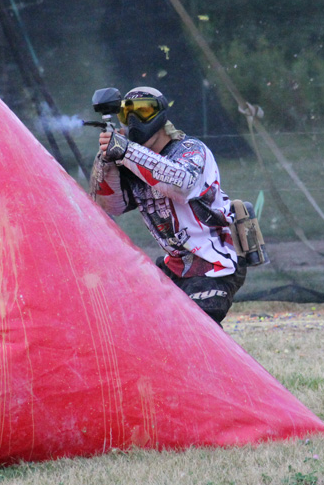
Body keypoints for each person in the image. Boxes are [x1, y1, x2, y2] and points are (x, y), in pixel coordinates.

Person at [90, 86, 245, 324]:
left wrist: (127, 150)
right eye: (127, 113)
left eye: (144, 111)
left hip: (216, 264)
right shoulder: (131, 160)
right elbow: (111, 206)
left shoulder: (192, 150)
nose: (134, 120)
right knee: (138, 322)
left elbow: (181, 185)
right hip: (174, 267)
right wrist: (106, 161)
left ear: (161, 114)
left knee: (195, 330)